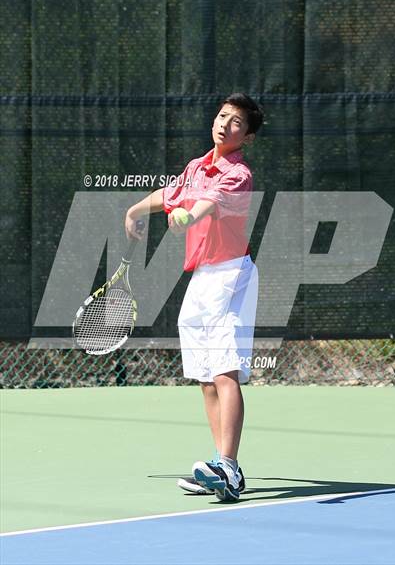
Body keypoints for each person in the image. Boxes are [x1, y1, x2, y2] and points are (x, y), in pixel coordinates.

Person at [125, 93, 264, 501]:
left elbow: (204, 205)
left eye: (236, 122)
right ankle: (220, 467)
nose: (225, 124)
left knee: (225, 371)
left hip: (231, 276)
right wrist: (135, 210)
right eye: (222, 116)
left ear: (247, 136)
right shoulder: (195, 167)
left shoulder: (238, 174)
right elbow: (173, 194)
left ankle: (230, 468)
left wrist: (187, 217)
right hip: (202, 277)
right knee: (204, 377)